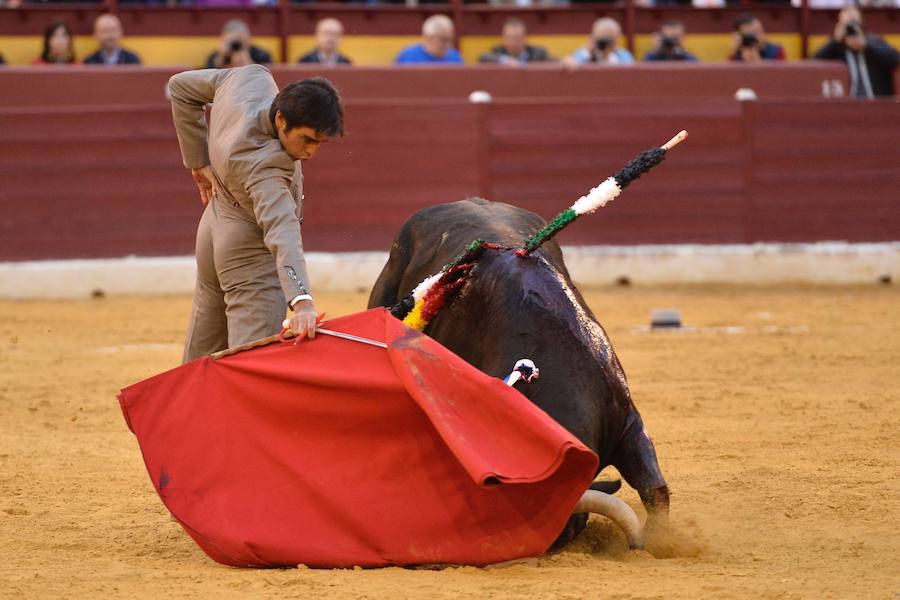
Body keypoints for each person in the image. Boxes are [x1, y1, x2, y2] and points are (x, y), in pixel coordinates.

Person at [168, 65, 344, 362]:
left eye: (320, 142)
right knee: (250, 366)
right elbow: (281, 228)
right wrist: (301, 301)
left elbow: (180, 87)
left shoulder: (250, 78)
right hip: (249, 254)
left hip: (213, 229)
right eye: (307, 139)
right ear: (280, 119)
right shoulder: (266, 167)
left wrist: (197, 161)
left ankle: (185, 410)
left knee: (201, 356)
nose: (312, 151)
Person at [812, 7, 899, 97]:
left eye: (854, 24)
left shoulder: (874, 41)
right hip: (850, 104)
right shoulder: (838, 47)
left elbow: (896, 59)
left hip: (877, 102)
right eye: (847, 26)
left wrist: (866, 46)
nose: (851, 30)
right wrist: (835, 40)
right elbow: (813, 61)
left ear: (862, 24)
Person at [479, 18, 551, 65]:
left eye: (517, 38)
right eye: (510, 37)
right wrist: (506, 60)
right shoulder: (498, 51)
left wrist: (561, 61)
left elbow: (554, 61)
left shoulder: (538, 53)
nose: (514, 42)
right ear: (504, 39)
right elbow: (483, 57)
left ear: (525, 38)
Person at [395, 15, 463, 65]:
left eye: (450, 40)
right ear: (428, 38)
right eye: (443, 40)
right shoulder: (408, 56)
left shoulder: (455, 57)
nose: (448, 44)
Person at [564, 18, 634, 66]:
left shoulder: (623, 55)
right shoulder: (584, 54)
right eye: (602, 40)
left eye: (610, 41)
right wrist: (588, 51)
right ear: (592, 38)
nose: (606, 45)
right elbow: (571, 63)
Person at [205, 19, 272, 69]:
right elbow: (211, 74)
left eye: (240, 38)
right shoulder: (216, 56)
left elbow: (265, 75)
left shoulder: (261, 54)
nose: (236, 43)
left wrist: (245, 57)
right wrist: (221, 56)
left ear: (248, 38)